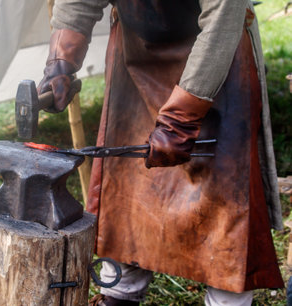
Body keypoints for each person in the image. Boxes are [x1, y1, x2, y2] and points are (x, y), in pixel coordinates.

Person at [37, 1, 284, 305]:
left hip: (216, 53)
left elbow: (222, 14)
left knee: (225, 203)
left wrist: (183, 115)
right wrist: (61, 59)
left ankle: (226, 300)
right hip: (135, 55)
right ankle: (120, 293)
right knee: (126, 195)